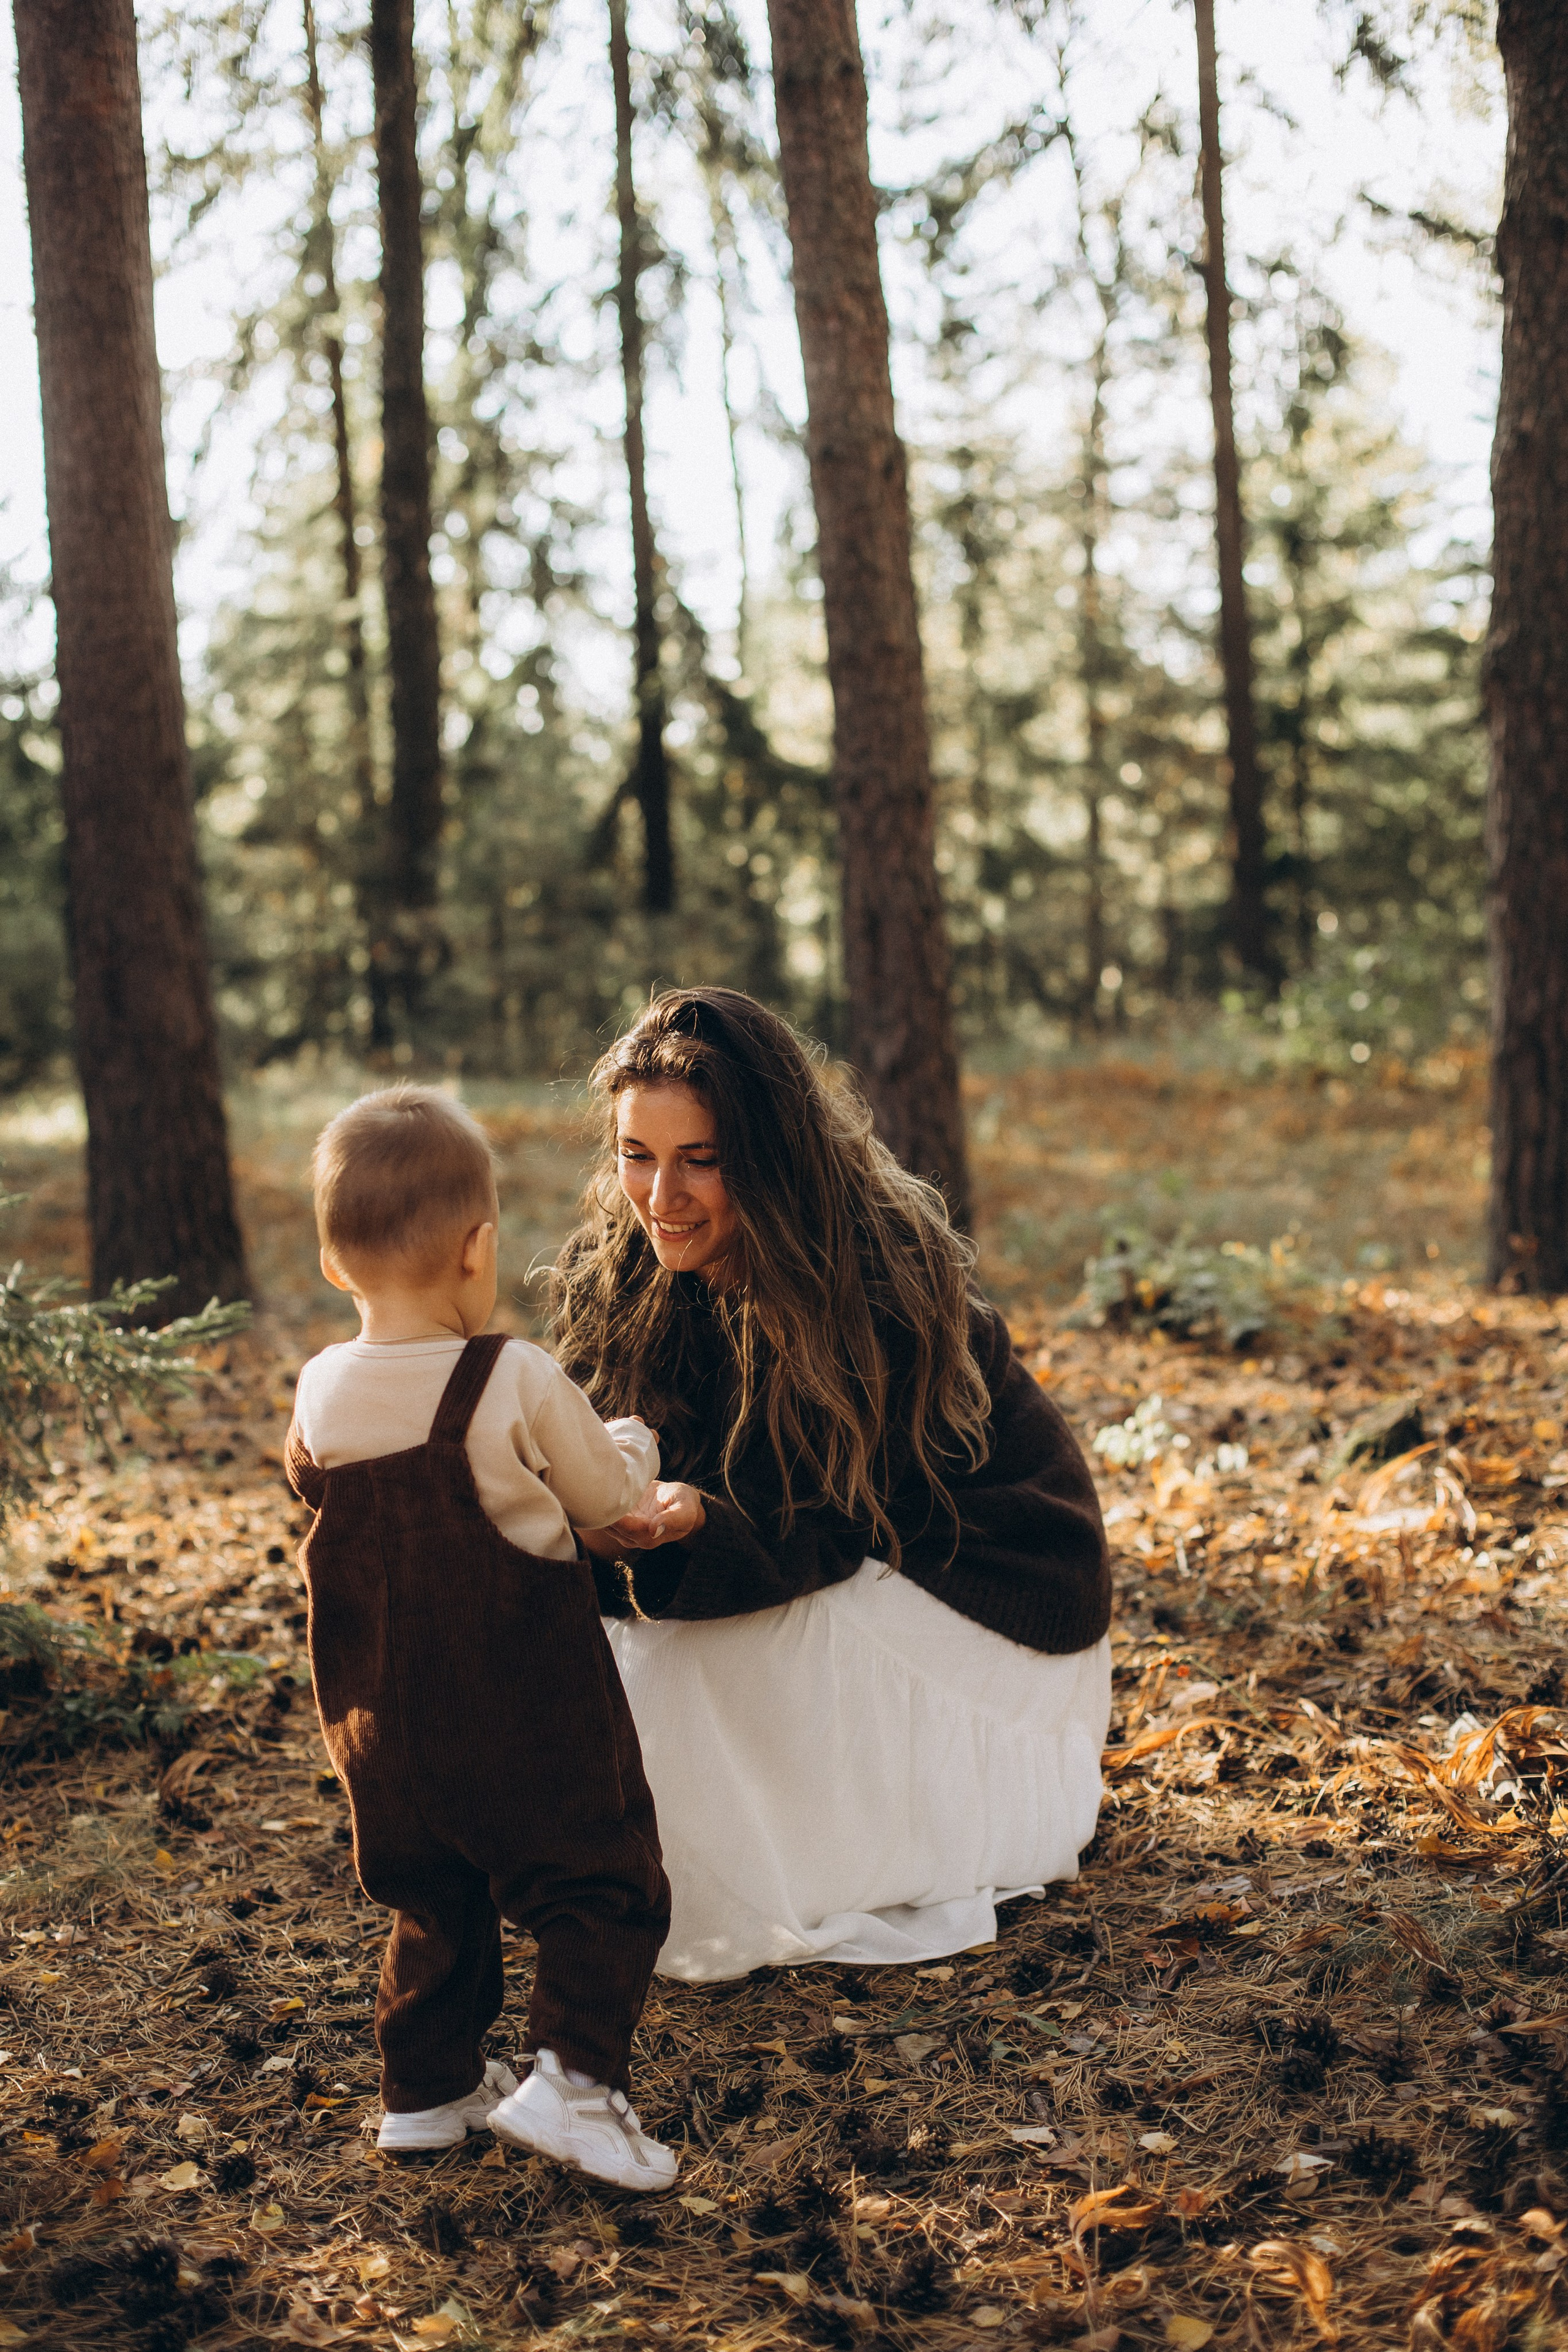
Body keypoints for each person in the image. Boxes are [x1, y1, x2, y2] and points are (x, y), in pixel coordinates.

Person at [553, 989, 1114, 1983]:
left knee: (678, 1672)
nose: (660, 1198)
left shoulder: (871, 1280)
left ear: (767, 1159)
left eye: (702, 1161)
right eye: (638, 1156)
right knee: (610, 1657)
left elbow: (819, 1530)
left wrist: (693, 1527)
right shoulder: (635, 1267)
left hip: (984, 1609)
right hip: (827, 1569)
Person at [285, 1082, 678, 2190]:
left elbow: (320, 1492)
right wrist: (634, 1452)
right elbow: (603, 1502)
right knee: (604, 1885)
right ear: (477, 1248)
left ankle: (424, 2091)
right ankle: (575, 2084)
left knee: (433, 1898)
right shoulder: (508, 1376)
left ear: (332, 1264)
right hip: (525, 1710)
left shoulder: (317, 1392)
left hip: (374, 1725)